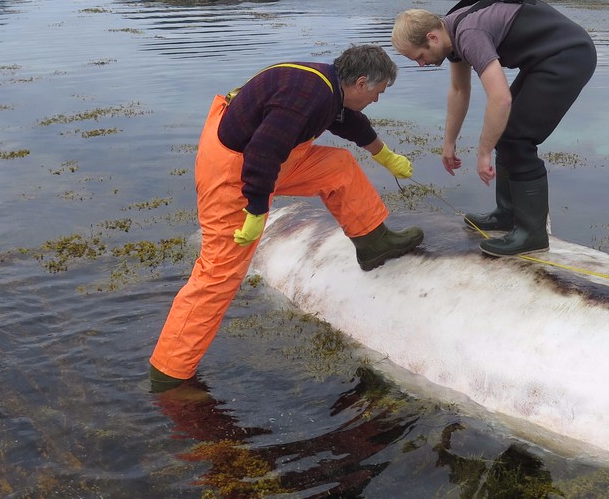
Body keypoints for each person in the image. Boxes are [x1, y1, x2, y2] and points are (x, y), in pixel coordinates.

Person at [148, 44, 421, 392]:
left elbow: (348, 122)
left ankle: (374, 242)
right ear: (362, 82)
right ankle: (169, 373)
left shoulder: (329, 85)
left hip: (266, 157)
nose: (377, 100)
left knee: (338, 166)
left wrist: (385, 155)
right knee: (219, 273)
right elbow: (263, 152)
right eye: (378, 93)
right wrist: (256, 209)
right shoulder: (308, 96)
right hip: (234, 170)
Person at [391, 0, 596, 257]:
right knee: (505, 133)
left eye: (419, 56)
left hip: (568, 56)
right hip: (545, 58)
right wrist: (449, 143)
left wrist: (484, 152)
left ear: (432, 37)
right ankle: (507, 214)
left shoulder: (468, 34)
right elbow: (458, 90)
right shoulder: (450, 33)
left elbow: (500, 99)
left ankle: (531, 233)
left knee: (517, 138)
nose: (421, 64)